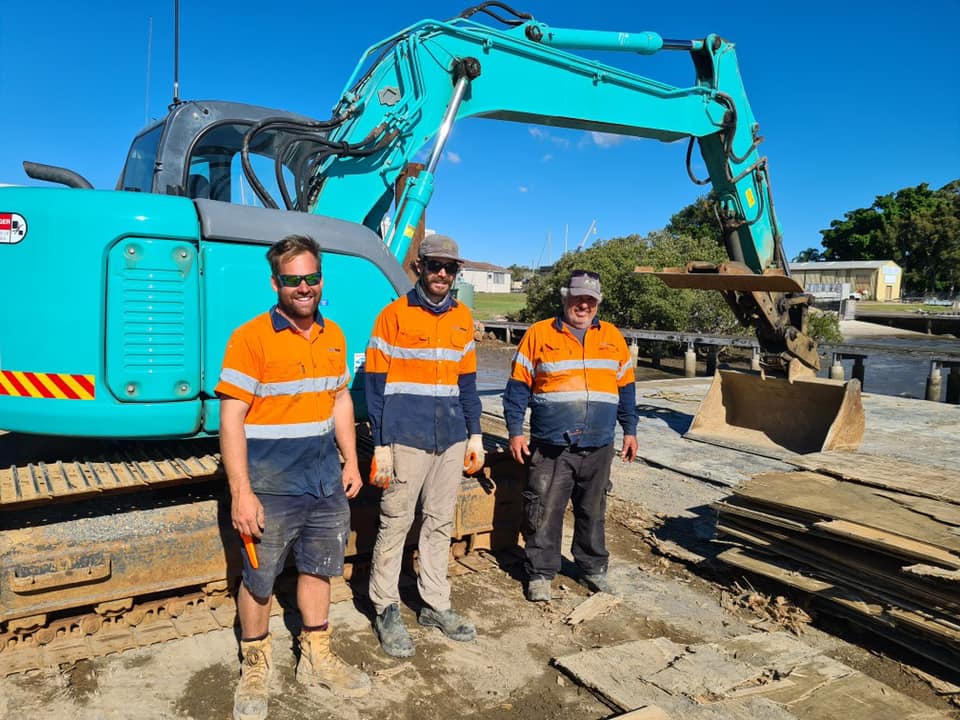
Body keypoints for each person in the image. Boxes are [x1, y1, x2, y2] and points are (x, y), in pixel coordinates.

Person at [216, 235, 370, 720]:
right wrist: (241, 492)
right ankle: (256, 662)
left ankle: (316, 657)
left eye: (311, 278)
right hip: (270, 484)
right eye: (292, 279)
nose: (303, 287)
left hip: (324, 482)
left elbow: (340, 399)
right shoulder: (250, 337)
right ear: (275, 283)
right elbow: (232, 417)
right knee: (259, 580)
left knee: (320, 568)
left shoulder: (335, 335)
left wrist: (351, 460)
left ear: (321, 280)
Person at [365, 234, 484, 658]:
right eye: (435, 265)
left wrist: (476, 435)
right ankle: (386, 608)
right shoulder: (392, 316)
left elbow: (468, 385)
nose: (442, 274)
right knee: (395, 523)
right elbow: (375, 388)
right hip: (405, 439)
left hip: (450, 439)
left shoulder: (463, 319)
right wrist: (380, 443)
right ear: (420, 267)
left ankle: (435, 605)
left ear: (456, 273)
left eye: (450, 268)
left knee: (438, 523)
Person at [502, 269, 638, 603]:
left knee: (593, 509)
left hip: (600, 442)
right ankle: (540, 572)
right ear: (565, 298)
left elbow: (627, 389)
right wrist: (516, 431)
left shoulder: (612, 337)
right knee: (544, 509)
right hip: (552, 446)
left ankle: (592, 567)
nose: (583, 305)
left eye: (590, 300)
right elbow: (517, 388)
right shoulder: (538, 334)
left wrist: (631, 430)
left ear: (597, 303)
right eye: (578, 298)